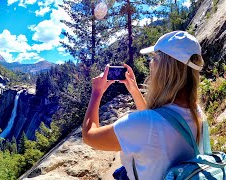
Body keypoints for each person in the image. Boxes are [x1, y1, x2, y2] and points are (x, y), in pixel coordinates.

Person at [82, 31, 205, 179]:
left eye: (153, 58)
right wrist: (134, 89)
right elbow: (160, 121)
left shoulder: (140, 124)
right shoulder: (197, 113)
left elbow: (89, 136)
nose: (150, 63)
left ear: (163, 68)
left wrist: (96, 93)